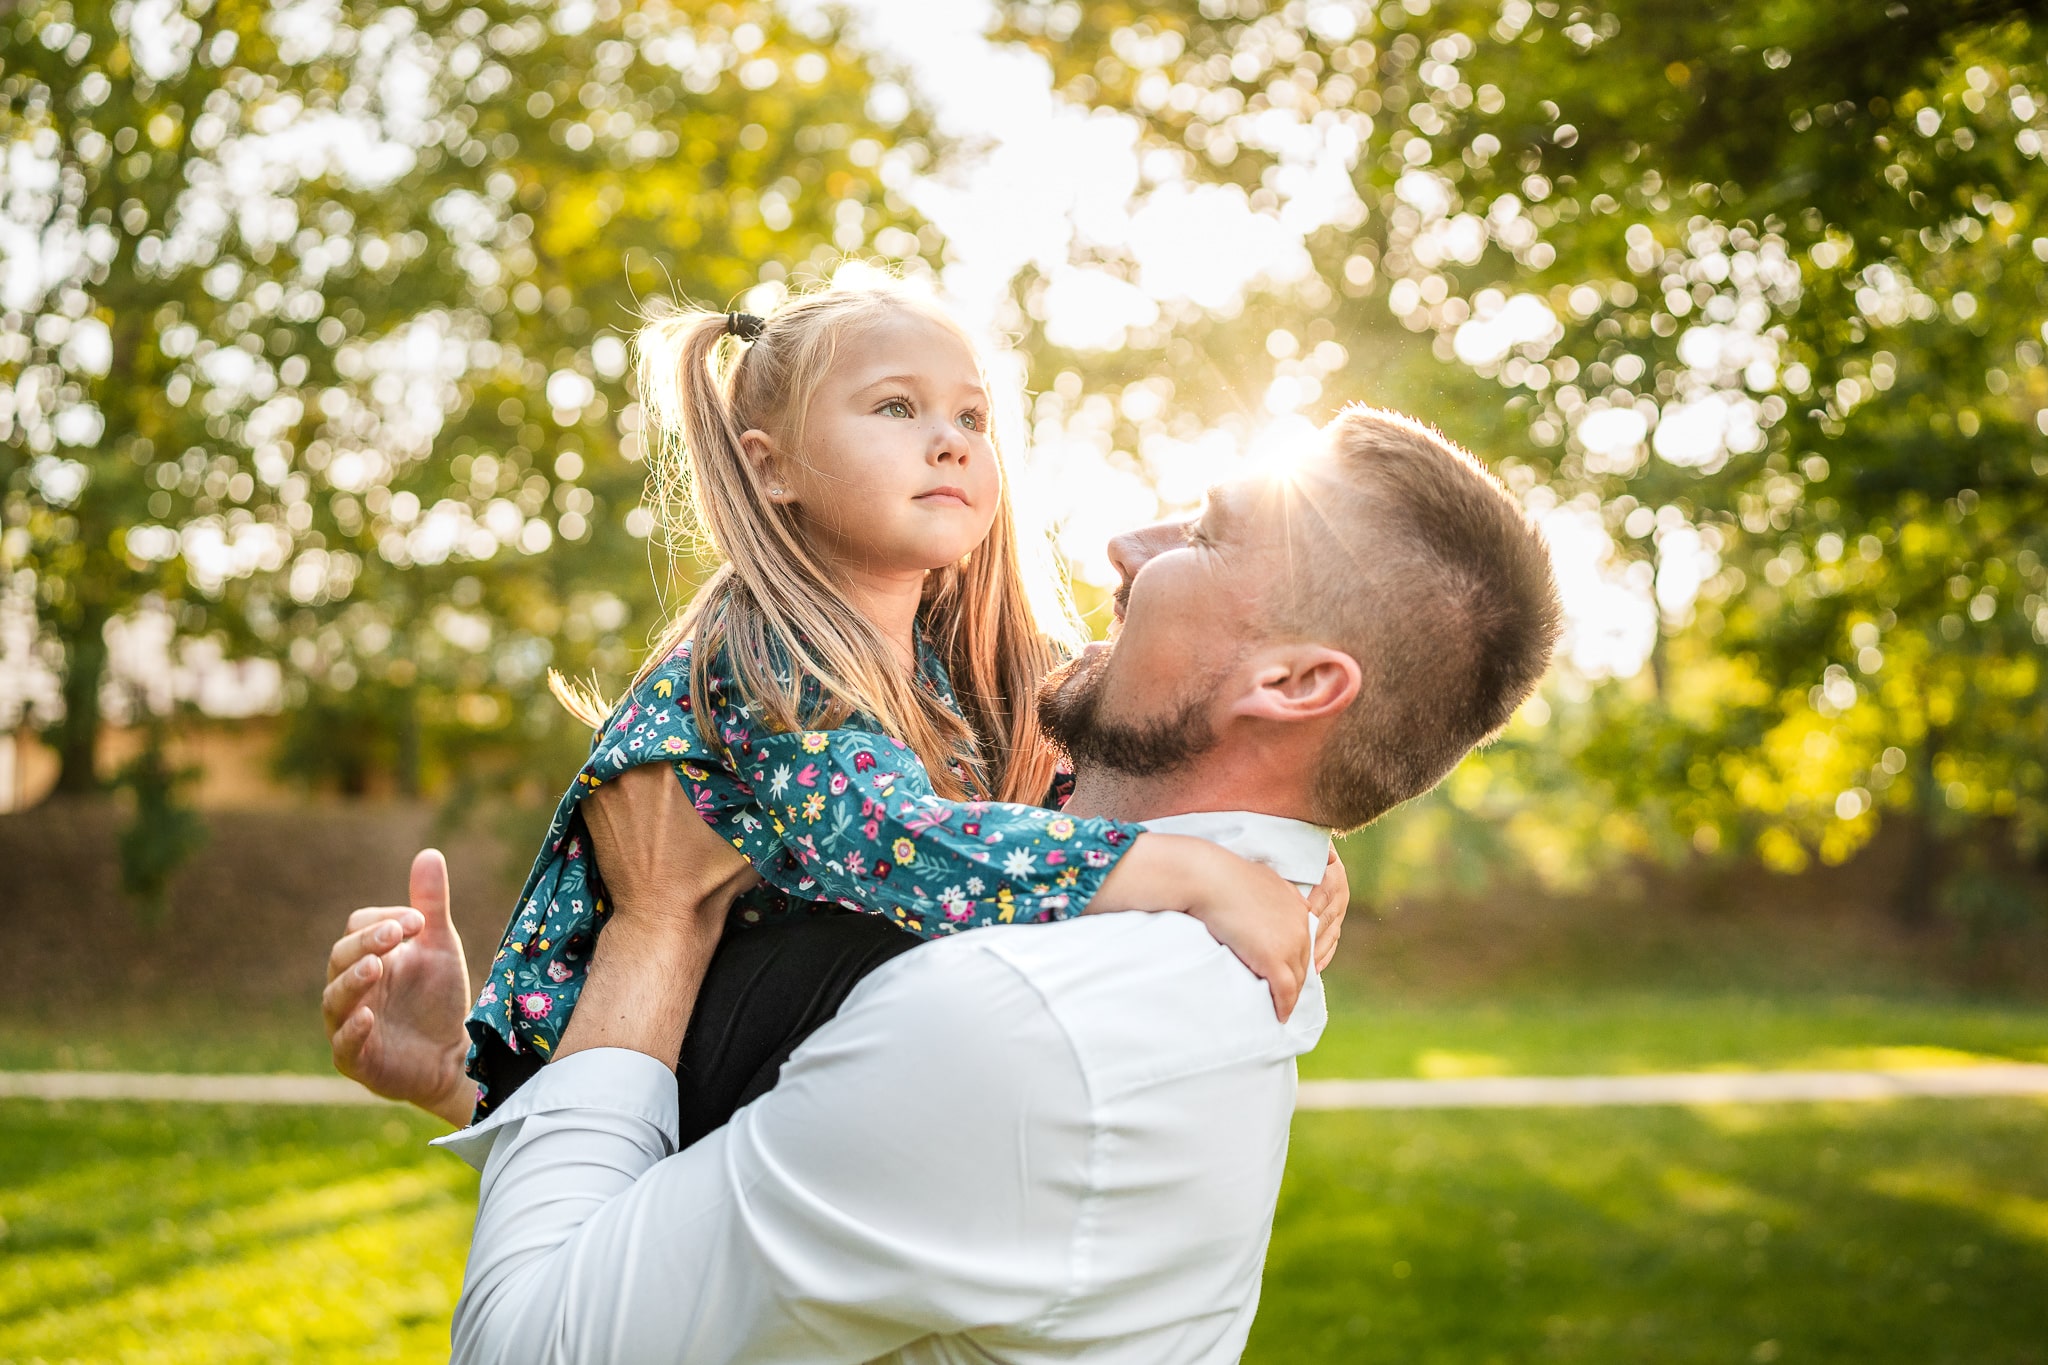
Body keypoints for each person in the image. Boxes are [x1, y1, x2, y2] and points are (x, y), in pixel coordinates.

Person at [325, 405, 1562, 1361]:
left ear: (1292, 687)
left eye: (1200, 536)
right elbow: (705, 1222)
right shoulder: (1215, 923)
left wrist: (654, 921)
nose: (1122, 547)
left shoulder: (1014, 1022)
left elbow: (532, 1346)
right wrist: (496, 1082)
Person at [461, 278, 1331, 1119]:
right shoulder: (768, 648)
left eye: (971, 417)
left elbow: (1057, 798)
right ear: (771, 470)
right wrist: (1196, 874)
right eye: (894, 407)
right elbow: (892, 844)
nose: (949, 440)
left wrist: (1266, 853)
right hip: (618, 1058)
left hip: (753, 1019)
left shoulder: (933, 654)